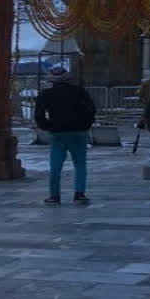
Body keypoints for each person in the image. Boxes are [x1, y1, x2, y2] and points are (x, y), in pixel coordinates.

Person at [34, 66, 96, 205]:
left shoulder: (45, 94)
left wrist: (48, 126)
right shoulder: (79, 92)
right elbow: (91, 110)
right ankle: (79, 194)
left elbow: (39, 115)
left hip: (58, 133)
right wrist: (85, 125)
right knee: (80, 164)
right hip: (78, 132)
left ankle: (54, 196)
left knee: (55, 166)